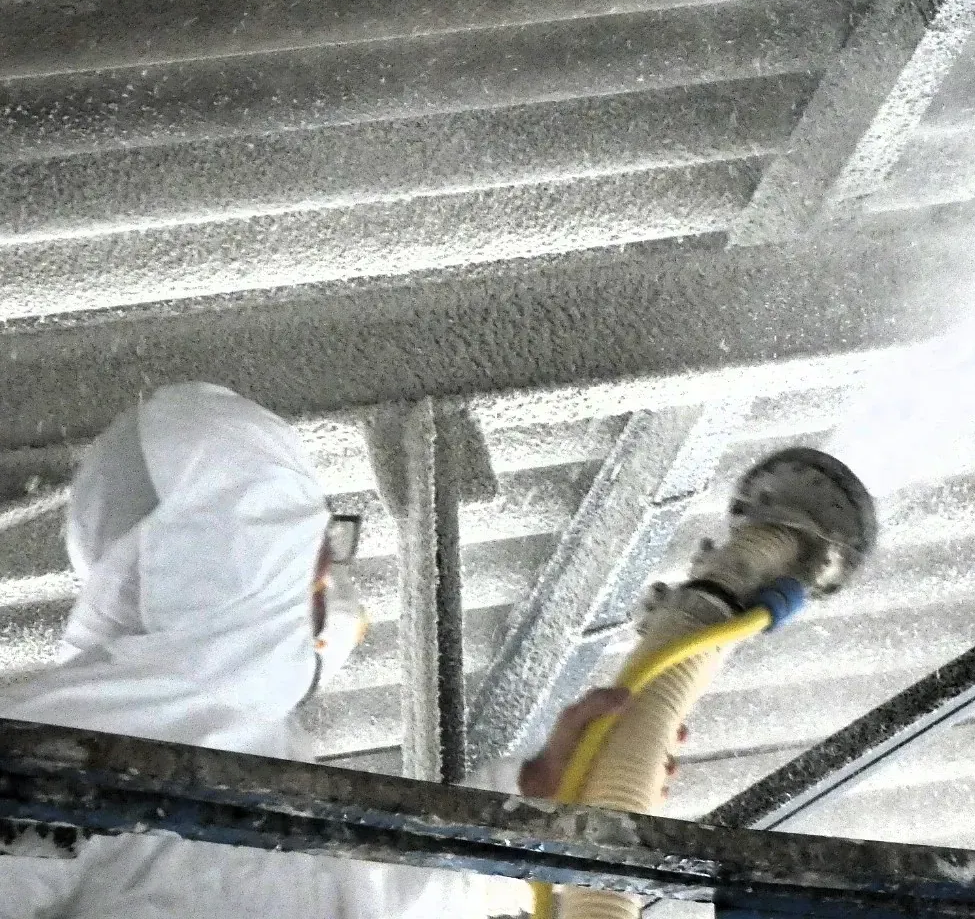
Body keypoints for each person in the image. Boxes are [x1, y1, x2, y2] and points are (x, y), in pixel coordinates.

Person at [0, 382, 627, 918]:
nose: (331, 592)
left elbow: (372, 897)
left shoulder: (254, 752)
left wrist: (533, 794)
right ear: (257, 565)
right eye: (319, 564)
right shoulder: (55, 745)